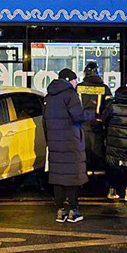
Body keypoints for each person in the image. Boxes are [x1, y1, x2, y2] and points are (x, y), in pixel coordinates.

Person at [44, 69, 88, 223]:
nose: (76, 83)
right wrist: (90, 114)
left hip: (55, 143)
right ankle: (74, 211)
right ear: (70, 80)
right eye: (75, 80)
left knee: (58, 176)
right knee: (72, 176)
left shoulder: (48, 97)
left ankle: (60, 211)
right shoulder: (71, 95)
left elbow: (45, 122)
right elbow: (79, 116)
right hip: (71, 141)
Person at [77, 61, 110, 178]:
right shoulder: (104, 88)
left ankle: (83, 179)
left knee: (82, 154)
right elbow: (109, 108)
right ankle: (96, 182)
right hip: (97, 126)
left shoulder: (78, 88)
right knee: (98, 153)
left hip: (81, 127)